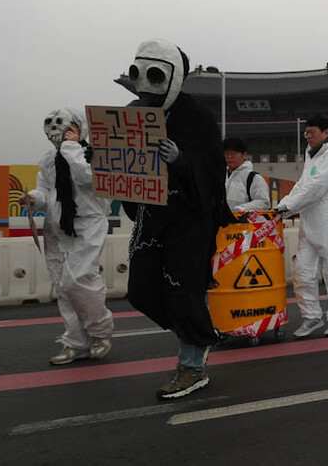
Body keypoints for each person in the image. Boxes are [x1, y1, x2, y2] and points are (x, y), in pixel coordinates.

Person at [123, 39, 225, 399]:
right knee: (141, 290)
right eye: (139, 74)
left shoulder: (196, 118)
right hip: (152, 217)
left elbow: (213, 171)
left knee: (183, 291)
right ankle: (199, 333)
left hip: (189, 219)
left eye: (155, 75)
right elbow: (126, 162)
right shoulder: (132, 112)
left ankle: (192, 365)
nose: (145, 85)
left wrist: (181, 159)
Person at [22, 107, 114, 365]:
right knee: (63, 287)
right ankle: (76, 342)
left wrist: (72, 149)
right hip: (57, 226)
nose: (57, 129)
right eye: (51, 123)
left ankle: (100, 332)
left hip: (87, 221)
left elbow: (90, 179)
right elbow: (45, 191)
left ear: (79, 126)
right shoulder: (48, 160)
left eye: (64, 124)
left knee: (80, 279)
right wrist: (33, 198)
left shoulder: (94, 153)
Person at [276, 116, 328, 338]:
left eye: (312, 132)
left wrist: (286, 207)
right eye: (306, 133)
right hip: (311, 223)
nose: (308, 136)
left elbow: (316, 188)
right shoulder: (311, 156)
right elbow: (303, 186)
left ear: (326, 133)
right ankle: (311, 316)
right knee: (302, 271)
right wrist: (283, 207)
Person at [223, 137, 270, 211]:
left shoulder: (253, 178)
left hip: (242, 221)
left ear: (244, 155)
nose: (229, 157)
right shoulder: (219, 176)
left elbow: (264, 202)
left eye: (233, 153)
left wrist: (242, 209)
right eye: (226, 153)